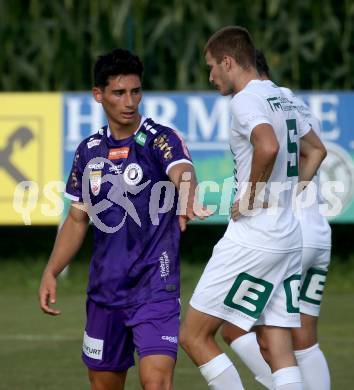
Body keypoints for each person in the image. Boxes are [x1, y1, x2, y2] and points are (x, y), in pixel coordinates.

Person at [38, 48, 210, 390]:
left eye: (135, 91)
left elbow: (182, 170)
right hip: (105, 292)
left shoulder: (159, 138)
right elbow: (76, 220)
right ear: (98, 95)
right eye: (119, 93)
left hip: (155, 286)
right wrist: (51, 270)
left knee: (155, 381)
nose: (129, 101)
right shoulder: (89, 151)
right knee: (104, 385)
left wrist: (188, 195)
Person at [180, 26, 327, 390]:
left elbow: (268, 146)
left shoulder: (245, 100)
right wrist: (287, 194)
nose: (211, 75)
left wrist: (249, 198)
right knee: (278, 349)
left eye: (212, 66)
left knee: (194, 337)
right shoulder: (282, 96)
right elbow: (316, 150)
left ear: (228, 62)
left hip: (253, 238)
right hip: (288, 236)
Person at [221, 50, 332, 390]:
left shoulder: (253, 101)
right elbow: (319, 149)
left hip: (284, 234)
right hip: (316, 232)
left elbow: (266, 148)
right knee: (305, 340)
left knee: (233, 329)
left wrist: (268, 198)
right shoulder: (289, 99)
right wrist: (294, 193)